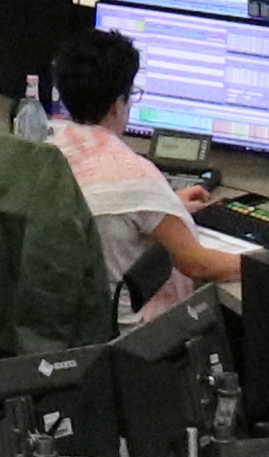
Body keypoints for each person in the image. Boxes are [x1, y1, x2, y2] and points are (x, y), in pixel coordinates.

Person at [43, 26, 243, 319]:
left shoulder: (46, 154)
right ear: (117, 104)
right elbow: (199, 264)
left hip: (65, 327)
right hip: (137, 337)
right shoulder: (133, 175)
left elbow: (100, 207)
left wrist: (165, 204)